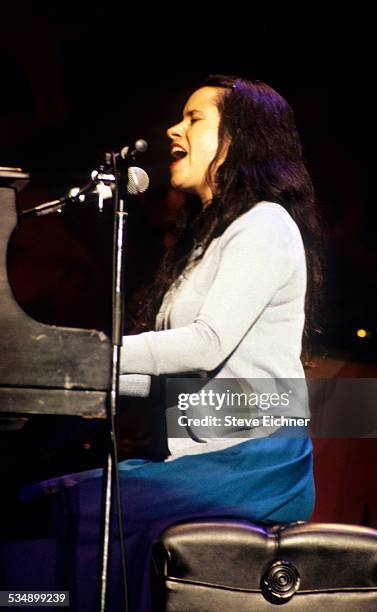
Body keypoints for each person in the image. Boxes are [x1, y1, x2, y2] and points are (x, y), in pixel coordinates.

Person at [3, 75, 322, 611]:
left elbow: (204, 345)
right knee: (34, 503)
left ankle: (35, 601)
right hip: (211, 462)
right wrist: (65, 380)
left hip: (254, 463)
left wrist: (92, 358)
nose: (174, 129)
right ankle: (30, 600)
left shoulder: (266, 224)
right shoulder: (210, 241)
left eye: (195, 118)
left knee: (60, 512)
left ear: (241, 138)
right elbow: (164, 371)